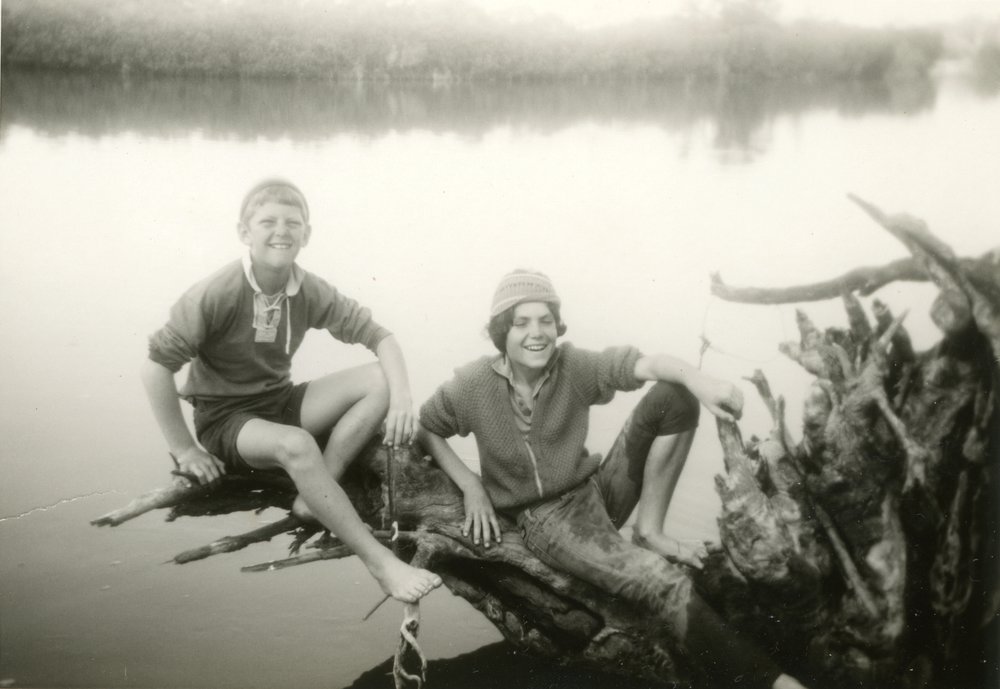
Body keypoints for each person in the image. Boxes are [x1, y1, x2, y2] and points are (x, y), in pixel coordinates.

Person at [418, 269, 808, 689]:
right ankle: (770, 683)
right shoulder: (474, 385)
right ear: (501, 332)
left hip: (595, 490)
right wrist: (471, 485)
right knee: (661, 583)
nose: (537, 333)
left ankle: (650, 530)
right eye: (522, 322)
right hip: (547, 520)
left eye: (546, 320)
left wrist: (703, 382)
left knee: (673, 396)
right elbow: (427, 426)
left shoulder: (572, 366)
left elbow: (649, 364)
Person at [142, 178, 441, 603]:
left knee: (382, 377)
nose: (281, 231)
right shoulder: (216, 292)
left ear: (307, 234)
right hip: (227, 421)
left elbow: (382, 337)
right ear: (244, 233)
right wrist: (185, 449)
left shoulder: (307, 288)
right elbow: (155, 367)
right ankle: (379, 562)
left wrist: (404, 399)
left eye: (292, 222)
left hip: (278, 402)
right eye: (267, 222)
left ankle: (317, 491)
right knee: (299, 445)